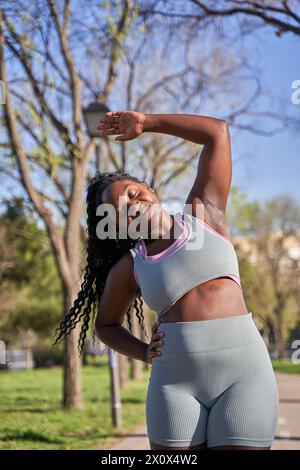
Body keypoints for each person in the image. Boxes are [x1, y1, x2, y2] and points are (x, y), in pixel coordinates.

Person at [53, 111, 280, 451]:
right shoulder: (131, 266)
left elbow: (217, 133)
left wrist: (147, 123)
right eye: (118, 210)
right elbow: (106, 325)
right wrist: (145, 353)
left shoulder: (205, 215)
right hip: (175, 384)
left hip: (244, 374)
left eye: (132, 193)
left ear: (150, 190)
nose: (131, 205)